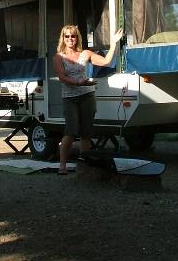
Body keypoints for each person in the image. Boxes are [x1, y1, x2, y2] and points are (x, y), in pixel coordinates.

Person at [53, 25, 124, 175]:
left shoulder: (85, 53)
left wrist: (113, 43)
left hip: (87, 95)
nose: (70, 39)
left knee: (86, 132)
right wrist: (79, 82)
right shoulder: (59, 57)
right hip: (70, 98)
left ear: (77, 38)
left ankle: (86, 164)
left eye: (73, 36)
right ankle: (62, 165)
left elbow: (106, 62)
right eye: (67, 36)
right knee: (70, 131)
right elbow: (62, 78)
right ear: (63, 39)